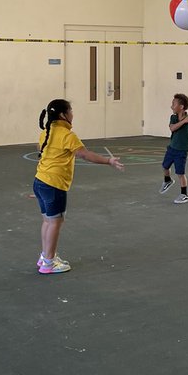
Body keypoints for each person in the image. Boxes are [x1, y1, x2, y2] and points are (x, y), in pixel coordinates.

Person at [33, 99, 124, 275]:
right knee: (55, 222)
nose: (73, 114)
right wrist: (108, 161)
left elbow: (42, 149)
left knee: (48, 221)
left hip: (40, 182)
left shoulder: (47, 132)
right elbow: (84, 154)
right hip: (54, 184)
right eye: (71, 110)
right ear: (63, 115)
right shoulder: (67, 135)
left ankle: (46, 256)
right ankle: (49, 263)